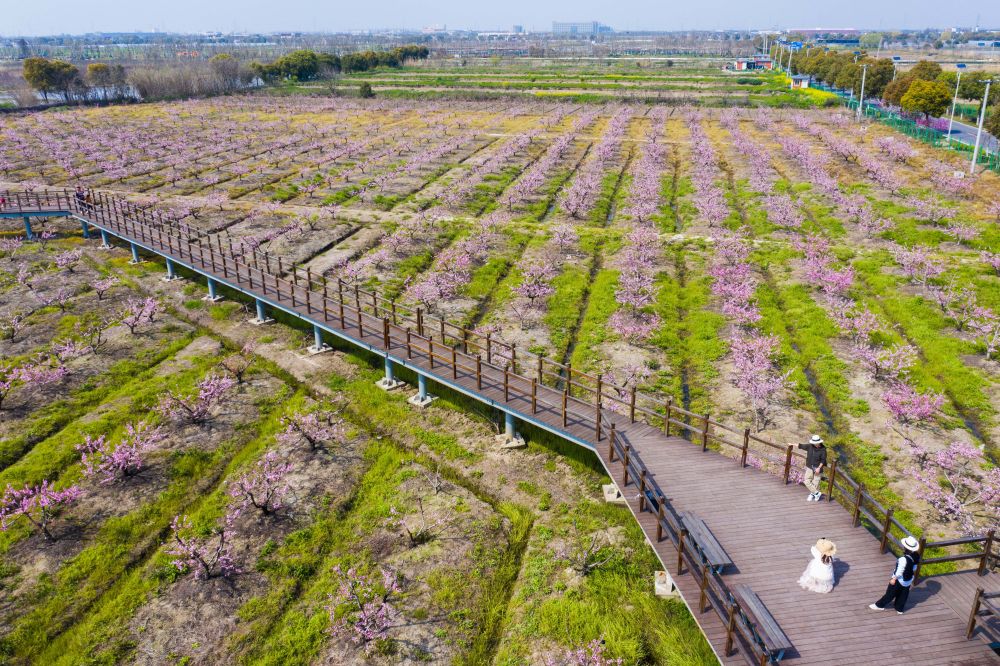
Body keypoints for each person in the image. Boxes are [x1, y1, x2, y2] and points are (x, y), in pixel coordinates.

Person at [869, 536, 921, 614]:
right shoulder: (916, 557)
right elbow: (914, 568)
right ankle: (899, 609)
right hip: (908, 580)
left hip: (899, 579)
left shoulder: (902, 559)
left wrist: (894, 578)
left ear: (905, 547)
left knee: (890, 593)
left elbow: (899, 572)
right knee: (903, 595)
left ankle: (879, 605)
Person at [797, 434, 827, 501]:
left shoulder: (823, 449)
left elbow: (823, 460)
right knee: (806, 481)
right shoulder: (810, 446)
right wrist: (792, 444)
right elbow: (801, 445)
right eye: (814, 443)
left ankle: (813, 495)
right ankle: (817, 493)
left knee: (815, 483)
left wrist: (819, 468)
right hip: (810, 466)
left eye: (816, 443)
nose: (815, 444)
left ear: (819, 442)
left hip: (818, 468)